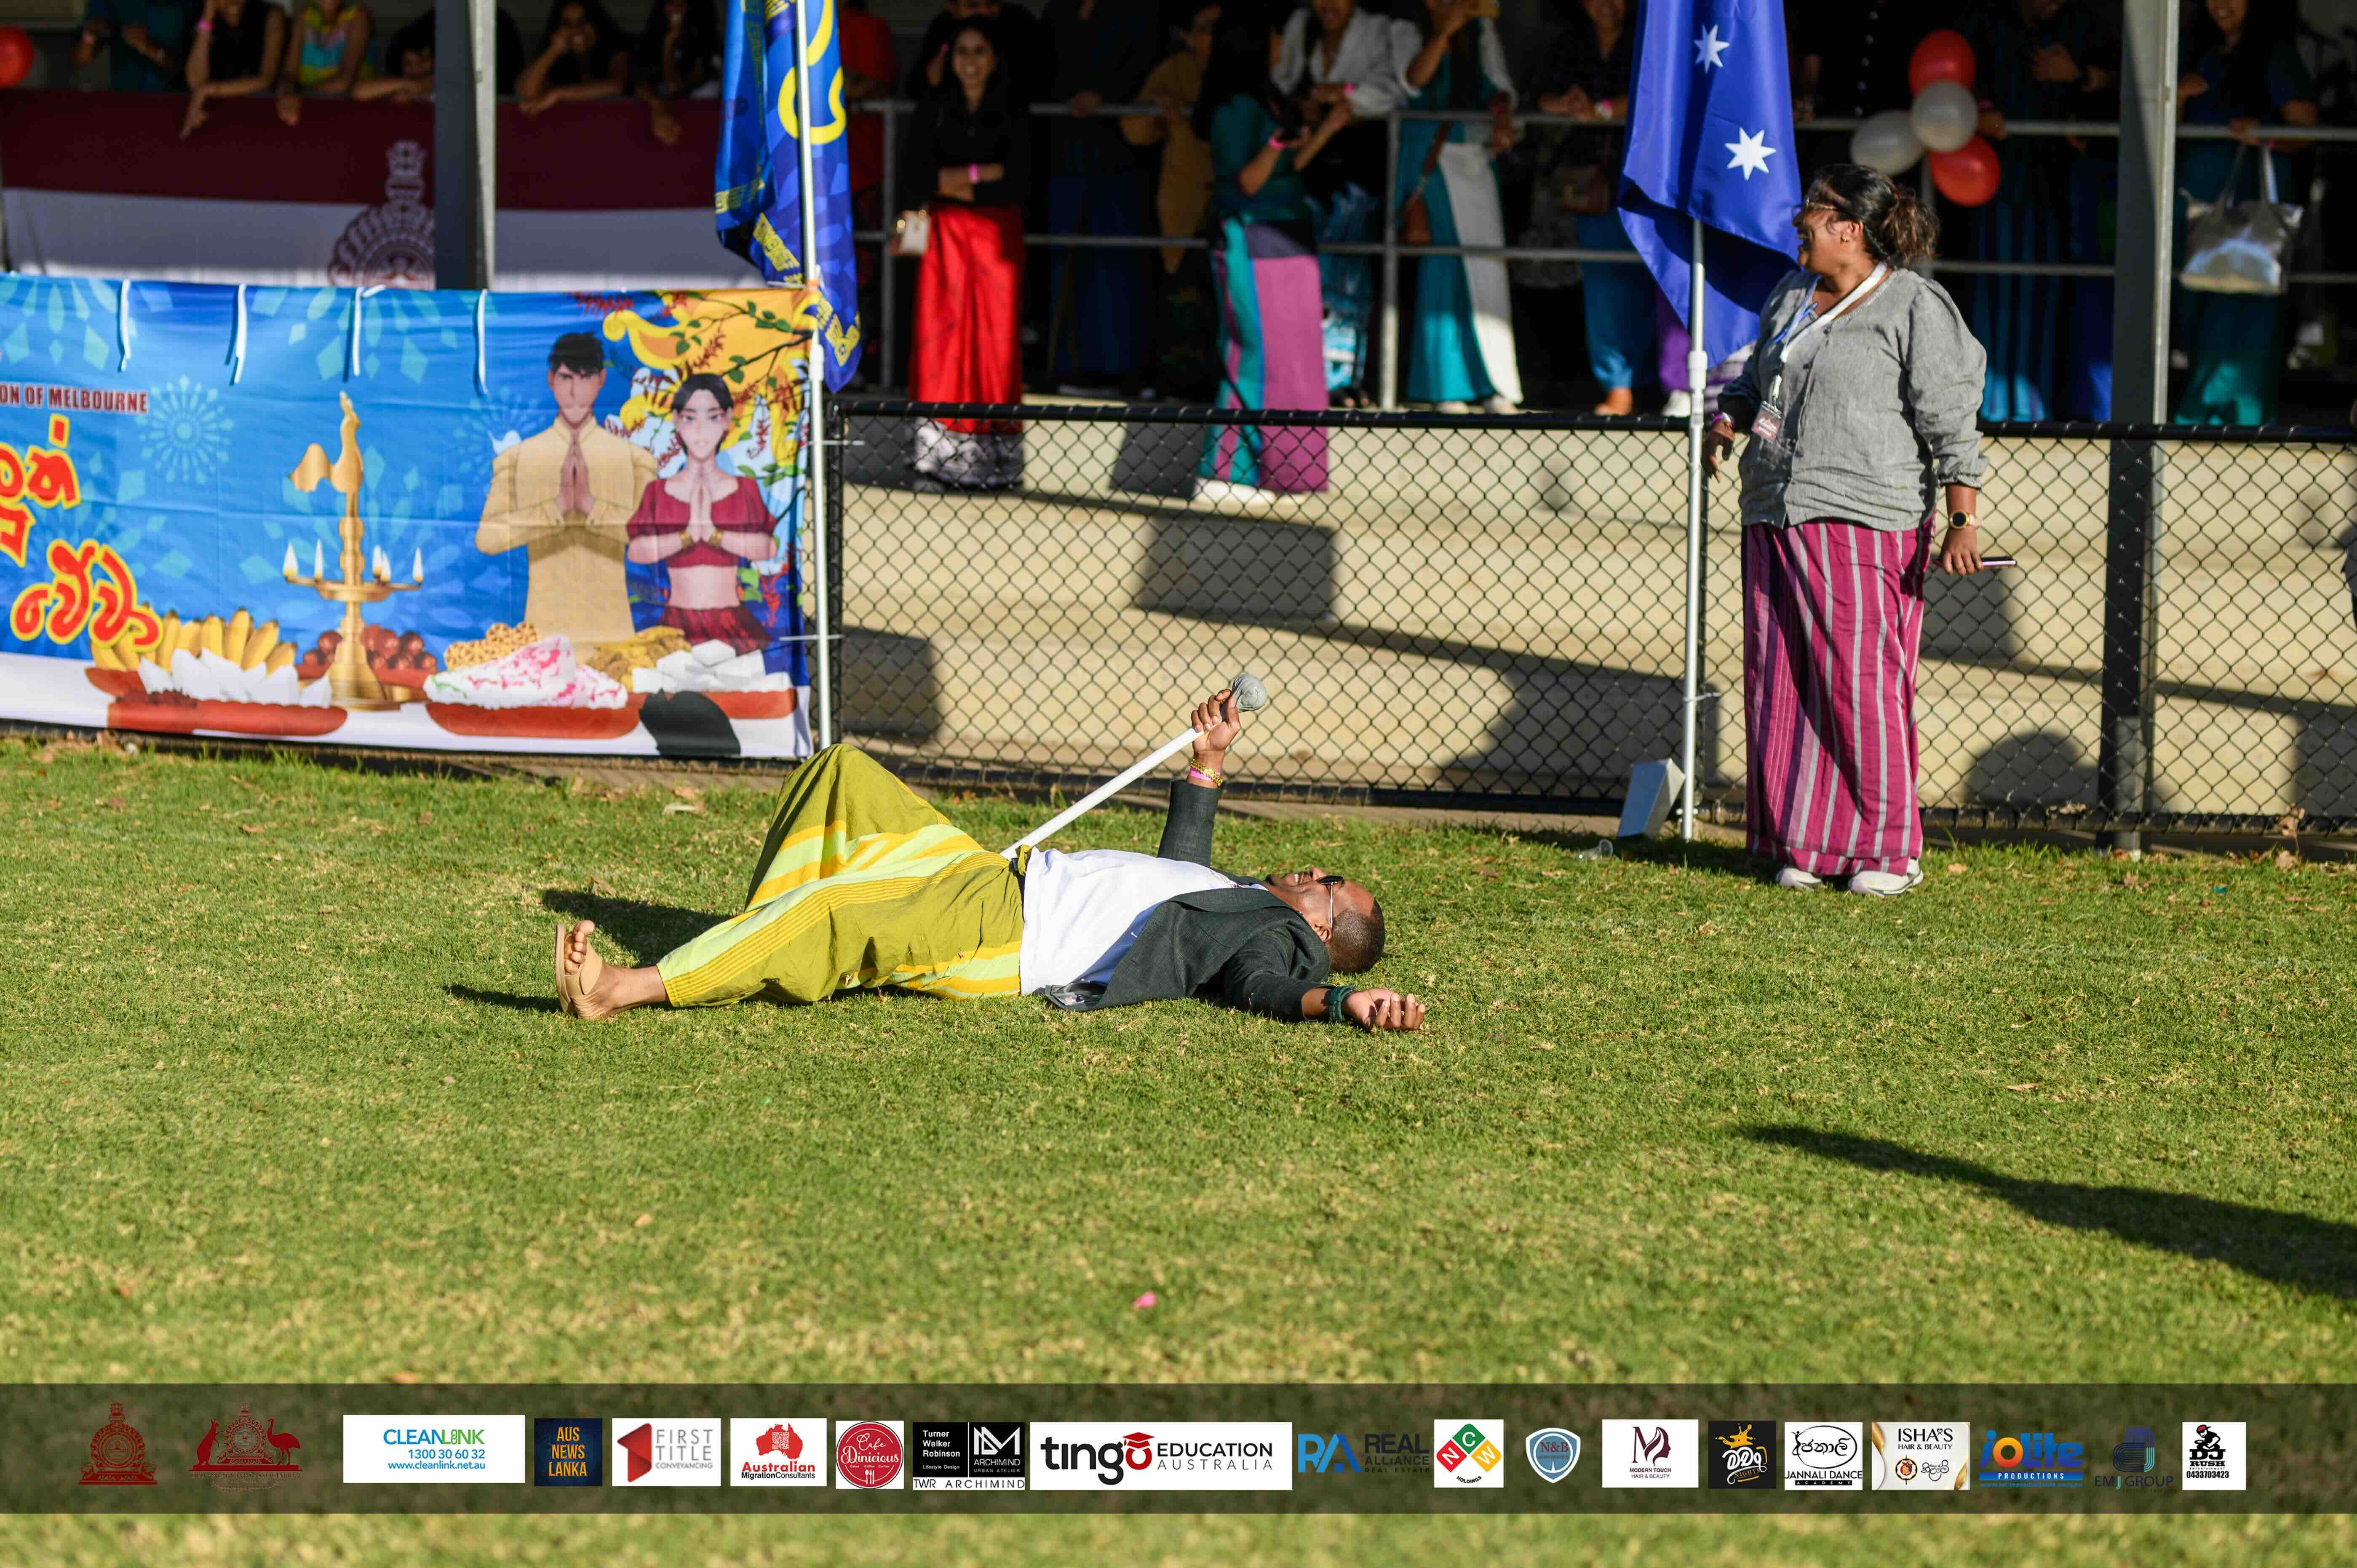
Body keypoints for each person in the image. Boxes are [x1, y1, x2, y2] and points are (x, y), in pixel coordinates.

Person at [554, 685, 1426, 1032]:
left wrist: (1346, 1001)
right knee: (841, 771)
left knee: (835, 917)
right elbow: (1182, 866)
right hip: (995, 872)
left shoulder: (1271, 945)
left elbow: (1263, 991)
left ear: (1320, 925)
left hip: (1010, 931)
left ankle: (620, 990)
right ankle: (745, 942)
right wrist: (1210, 757)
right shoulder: (1228, 896)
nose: (1311, 869)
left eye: (1326, 883)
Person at [1703, 165, 1988, 898]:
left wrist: (1961, 517)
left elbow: (1950, 422)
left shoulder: (1915, 306)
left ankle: (1888, 850)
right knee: (1784, 683)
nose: (1798, 221)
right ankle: (1806, 842)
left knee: (1860, 685)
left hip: (1864, 518)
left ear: (1849, 228)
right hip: (1773, 511)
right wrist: (1730, 417)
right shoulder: (1790, 293)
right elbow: (1757, 375)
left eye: (1812, 211)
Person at [1193, 3, 1350, 506]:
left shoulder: (1264, 97)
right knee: (1252, 352)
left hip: (1285, 234)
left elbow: (1285, 169)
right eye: (1276, 35)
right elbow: (1247, 181)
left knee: (1293, 357)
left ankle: (1280, 473)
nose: (1284, 45)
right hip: (1250, 237)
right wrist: (1280, 140)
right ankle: (1224, 473)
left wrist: (1324, 131)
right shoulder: (1234, 106)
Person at [1961, 0, 2112, 421]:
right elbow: (1953, 81)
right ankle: (1992, 407)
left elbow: (2139, 85)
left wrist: (2080, 76)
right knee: (1995, 293)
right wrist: (1978, 113)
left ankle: (2036, 408)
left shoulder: (2088, 24)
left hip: (2064, 184)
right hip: (1995, 181)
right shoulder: (1986, 21)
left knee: (2052, 298)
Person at [2173, 0, 2317, 425]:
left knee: (2246, 299)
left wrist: (2264, 136)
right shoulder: (2195, 52)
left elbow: (2304, 131)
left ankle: (2238, 411)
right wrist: (2179, 95)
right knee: (2198, 300)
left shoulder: (2277, 57)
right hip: (2198, 205)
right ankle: (2202, 405)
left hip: (2252, 207)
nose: (2220, 4)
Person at [902, 15, 1030, 489]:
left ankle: (995, 467)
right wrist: (984, 173)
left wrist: (959, 179)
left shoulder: (1014, 108)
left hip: (998, 237)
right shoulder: (935, 106)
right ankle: (938, 463)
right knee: (943, 339)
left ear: (995, 59)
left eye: (980, 51)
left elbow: (1020, 178)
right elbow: (918, 175)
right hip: (946, 238)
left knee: (994, 343)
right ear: (948, 59)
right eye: (962, 52)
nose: (970, 62)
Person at [476, 332, 660, 649]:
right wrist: (557, 507)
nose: (575, 392)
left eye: (586, 378)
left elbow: (654, 542)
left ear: (602, 380)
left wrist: (591, 507)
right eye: (566, 378)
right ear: (551, 380)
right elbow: (487, 539)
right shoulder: (516, 460)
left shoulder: (636, 461)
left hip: (614, 642)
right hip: (543, 641)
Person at [1272, 0, 1411, 406]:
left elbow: (1396, 91)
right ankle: (1305, 375)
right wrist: (1310, 101)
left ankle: (1343, 379)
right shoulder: (1303, 29)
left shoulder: (1381, 28)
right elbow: (1285, 83)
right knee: (1309, 273)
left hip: (1359, 168)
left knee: (1349, 276)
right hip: (1314, 168)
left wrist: (1346, 94)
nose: (1328, 5)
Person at [1395, 0, 1522, 414]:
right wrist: (1444, 32)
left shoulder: (1482, 31)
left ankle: (1493, 384)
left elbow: (1499, 88)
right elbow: (1413, 81)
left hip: (1475, 158)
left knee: (1485, 264)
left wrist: (1502, 113)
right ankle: (1443, 386)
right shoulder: (1405, 30)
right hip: (1429, 162)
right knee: (1444, 264)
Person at [1527, 0, 1649, 414]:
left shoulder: (1647, 39)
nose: (1607, 5)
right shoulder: (1569, 43)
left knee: (1650, 279)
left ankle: (1653, 380)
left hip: (1644, 176)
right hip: (1587, 178)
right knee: (1602, 284)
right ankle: (1617, 386)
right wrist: (1568, 106)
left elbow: (1659, 98)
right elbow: (1541, 96)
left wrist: (1602, 110)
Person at [1041, 0, 1161, 395]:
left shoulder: (1140, 12)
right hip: (1067, 150)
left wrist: (1108, 97)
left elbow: (1152, 71)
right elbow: (1042, 70)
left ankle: (1125, 371)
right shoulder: (1059, 12)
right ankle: (1071, 369)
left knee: (1118, 262)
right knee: (1066, 260)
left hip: (1121, 154)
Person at [623, 374, 779, 653]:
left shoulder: (744, 489)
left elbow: (768, 547)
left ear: (728, 419)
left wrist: (714, 534)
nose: (701, 431)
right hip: (677, 622)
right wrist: (687, 536)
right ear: (676, 420)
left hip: (733, 622)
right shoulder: (658, 491)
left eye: (713, 417)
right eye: (691, 418)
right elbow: (636, 550)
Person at [1120, 3, 1223, 402]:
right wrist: (1158, 112)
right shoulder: (1176, 70)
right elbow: (1134, 130)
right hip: (1184, 202)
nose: (1211, 37)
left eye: (1219, 29)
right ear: (1188, 35)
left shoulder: (1242, 67)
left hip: (1233, 199)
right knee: (1182, 300)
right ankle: (1180, 386)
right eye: (1205, 28)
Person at [179, 0, 287, 138]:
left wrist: (209, 90)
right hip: (215, 123)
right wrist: (208, 16)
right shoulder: (200, 19)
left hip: (260, 122)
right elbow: (195, 82)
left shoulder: (272, 16)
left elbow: (266, 79)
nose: (232, 2)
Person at [518, 0, 632, 118]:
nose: (576, 30)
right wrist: (553, 51)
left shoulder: (616, 48)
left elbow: (619, 85)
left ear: (597, 24)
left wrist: (558, 94)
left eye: (583, 21)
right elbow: (528, 94)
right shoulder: (555, 56)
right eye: (567, 24)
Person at [633, 0, 720, 145]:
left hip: (702, 137)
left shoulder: (711, 56)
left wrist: (669, 44)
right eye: (670, 2)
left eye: (682, 3)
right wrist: (656, 104)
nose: (675, 8)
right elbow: (634, 84)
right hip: (656, 143)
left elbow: (674, 88)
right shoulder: (648, 52)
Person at [274, 0, 372, 123]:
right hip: (304, 111)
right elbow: (289, 72)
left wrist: (299, 94)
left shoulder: (359, 16)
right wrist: (287, 91)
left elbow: (345, 82)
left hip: (348, 112)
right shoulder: (305, 16)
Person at [74, 0, 195, 94]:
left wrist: (151, 49)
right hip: (125, 101)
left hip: (176, 101)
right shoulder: (112, 4)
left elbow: (195, 75)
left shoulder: (185, 5)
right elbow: (81, 59)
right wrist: (90, 35)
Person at [350, 11, 433, 101]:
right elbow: (359, 91)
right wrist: (409, 85)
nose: (417, 67)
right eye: (408, 63)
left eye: (424, 61)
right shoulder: (400, 85)